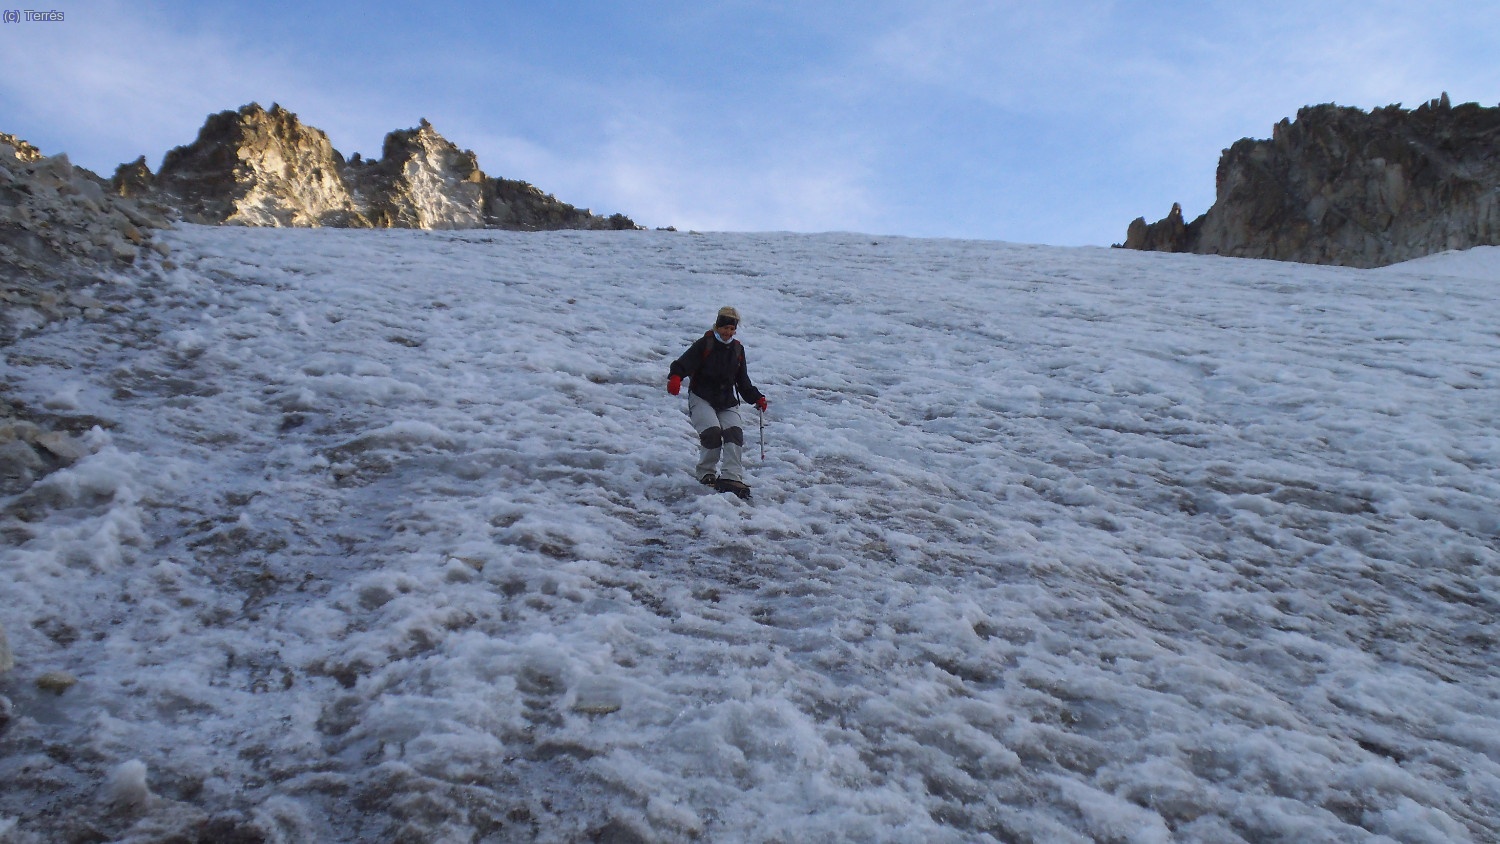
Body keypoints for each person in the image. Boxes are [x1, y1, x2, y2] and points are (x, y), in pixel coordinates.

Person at [667, 306, 768, 497]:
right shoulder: (704, 344)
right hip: (701, 397)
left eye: (731, 329)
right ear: (717, 325)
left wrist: (756, 397)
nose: (728, 332)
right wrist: (675, 377)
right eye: (725, 328)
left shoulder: (737, 349)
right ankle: (706, 473)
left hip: (726, 401)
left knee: (734, 433)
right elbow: (684, 363)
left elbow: (742, 381)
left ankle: (731, 476)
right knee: (712, 432)